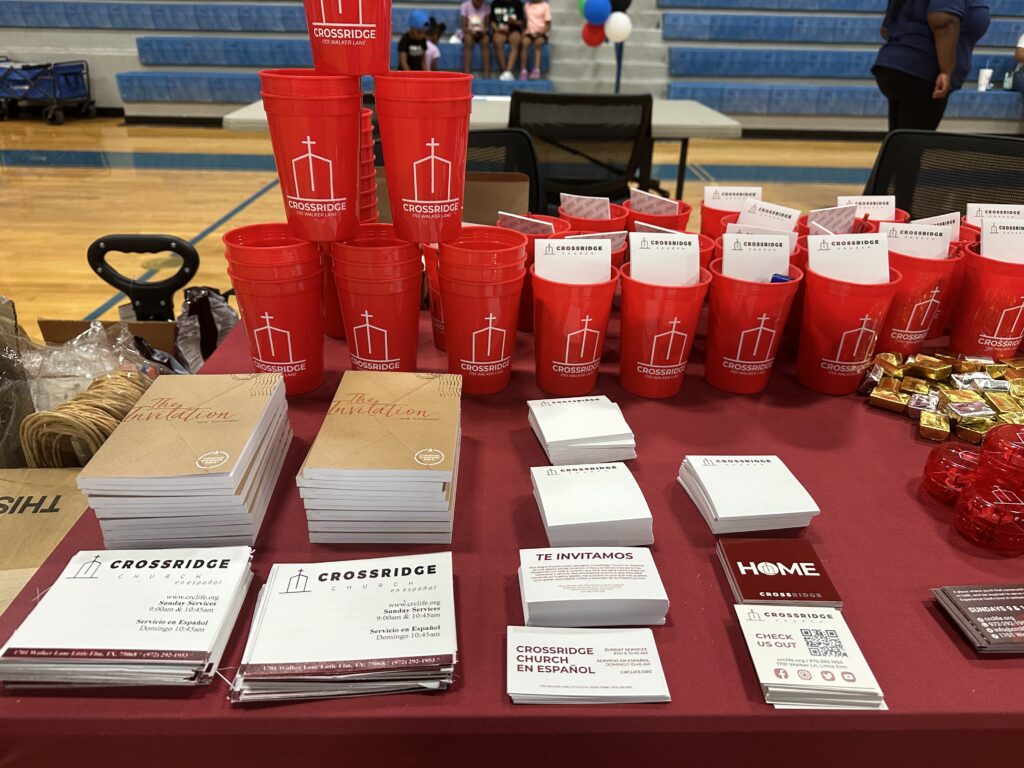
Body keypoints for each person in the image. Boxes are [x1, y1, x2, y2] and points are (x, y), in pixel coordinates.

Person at [873, 0, 991, 131]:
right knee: (913, 139)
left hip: (894, 62)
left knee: (900, 137)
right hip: (922, 68)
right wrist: (946, 71)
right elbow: (944, 20)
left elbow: (885, 30)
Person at [490, 0, 525, 81]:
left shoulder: (517, 3)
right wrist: (497, 29)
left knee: (516, 39)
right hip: (500, 30)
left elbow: (521, 22)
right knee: (497, 40)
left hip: (514, 30)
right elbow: (492, 21)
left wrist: (513, 21)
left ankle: (508, 71)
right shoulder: (495, 3)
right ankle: (504, 70)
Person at [519, 0, 550, 81]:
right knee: (524, 43)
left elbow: (548, 25)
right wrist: (524, 32)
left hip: (541, 33)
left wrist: (540, 33)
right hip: (529, 33)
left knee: (538, 43)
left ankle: (536, 70)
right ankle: (523, 70)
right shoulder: (526, 5)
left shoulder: (545, 6)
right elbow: (524, 21)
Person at [461, 0, 491, 78]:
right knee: (468, 40)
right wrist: (471, 32)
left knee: (486, 40)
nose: (478, 2)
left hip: (482, 33)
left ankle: (486, 73)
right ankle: (466, 72)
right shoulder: (465, 6)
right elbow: (464, 27)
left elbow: (487, 26)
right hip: (469, 32)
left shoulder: (487, 6)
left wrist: (483, 32)